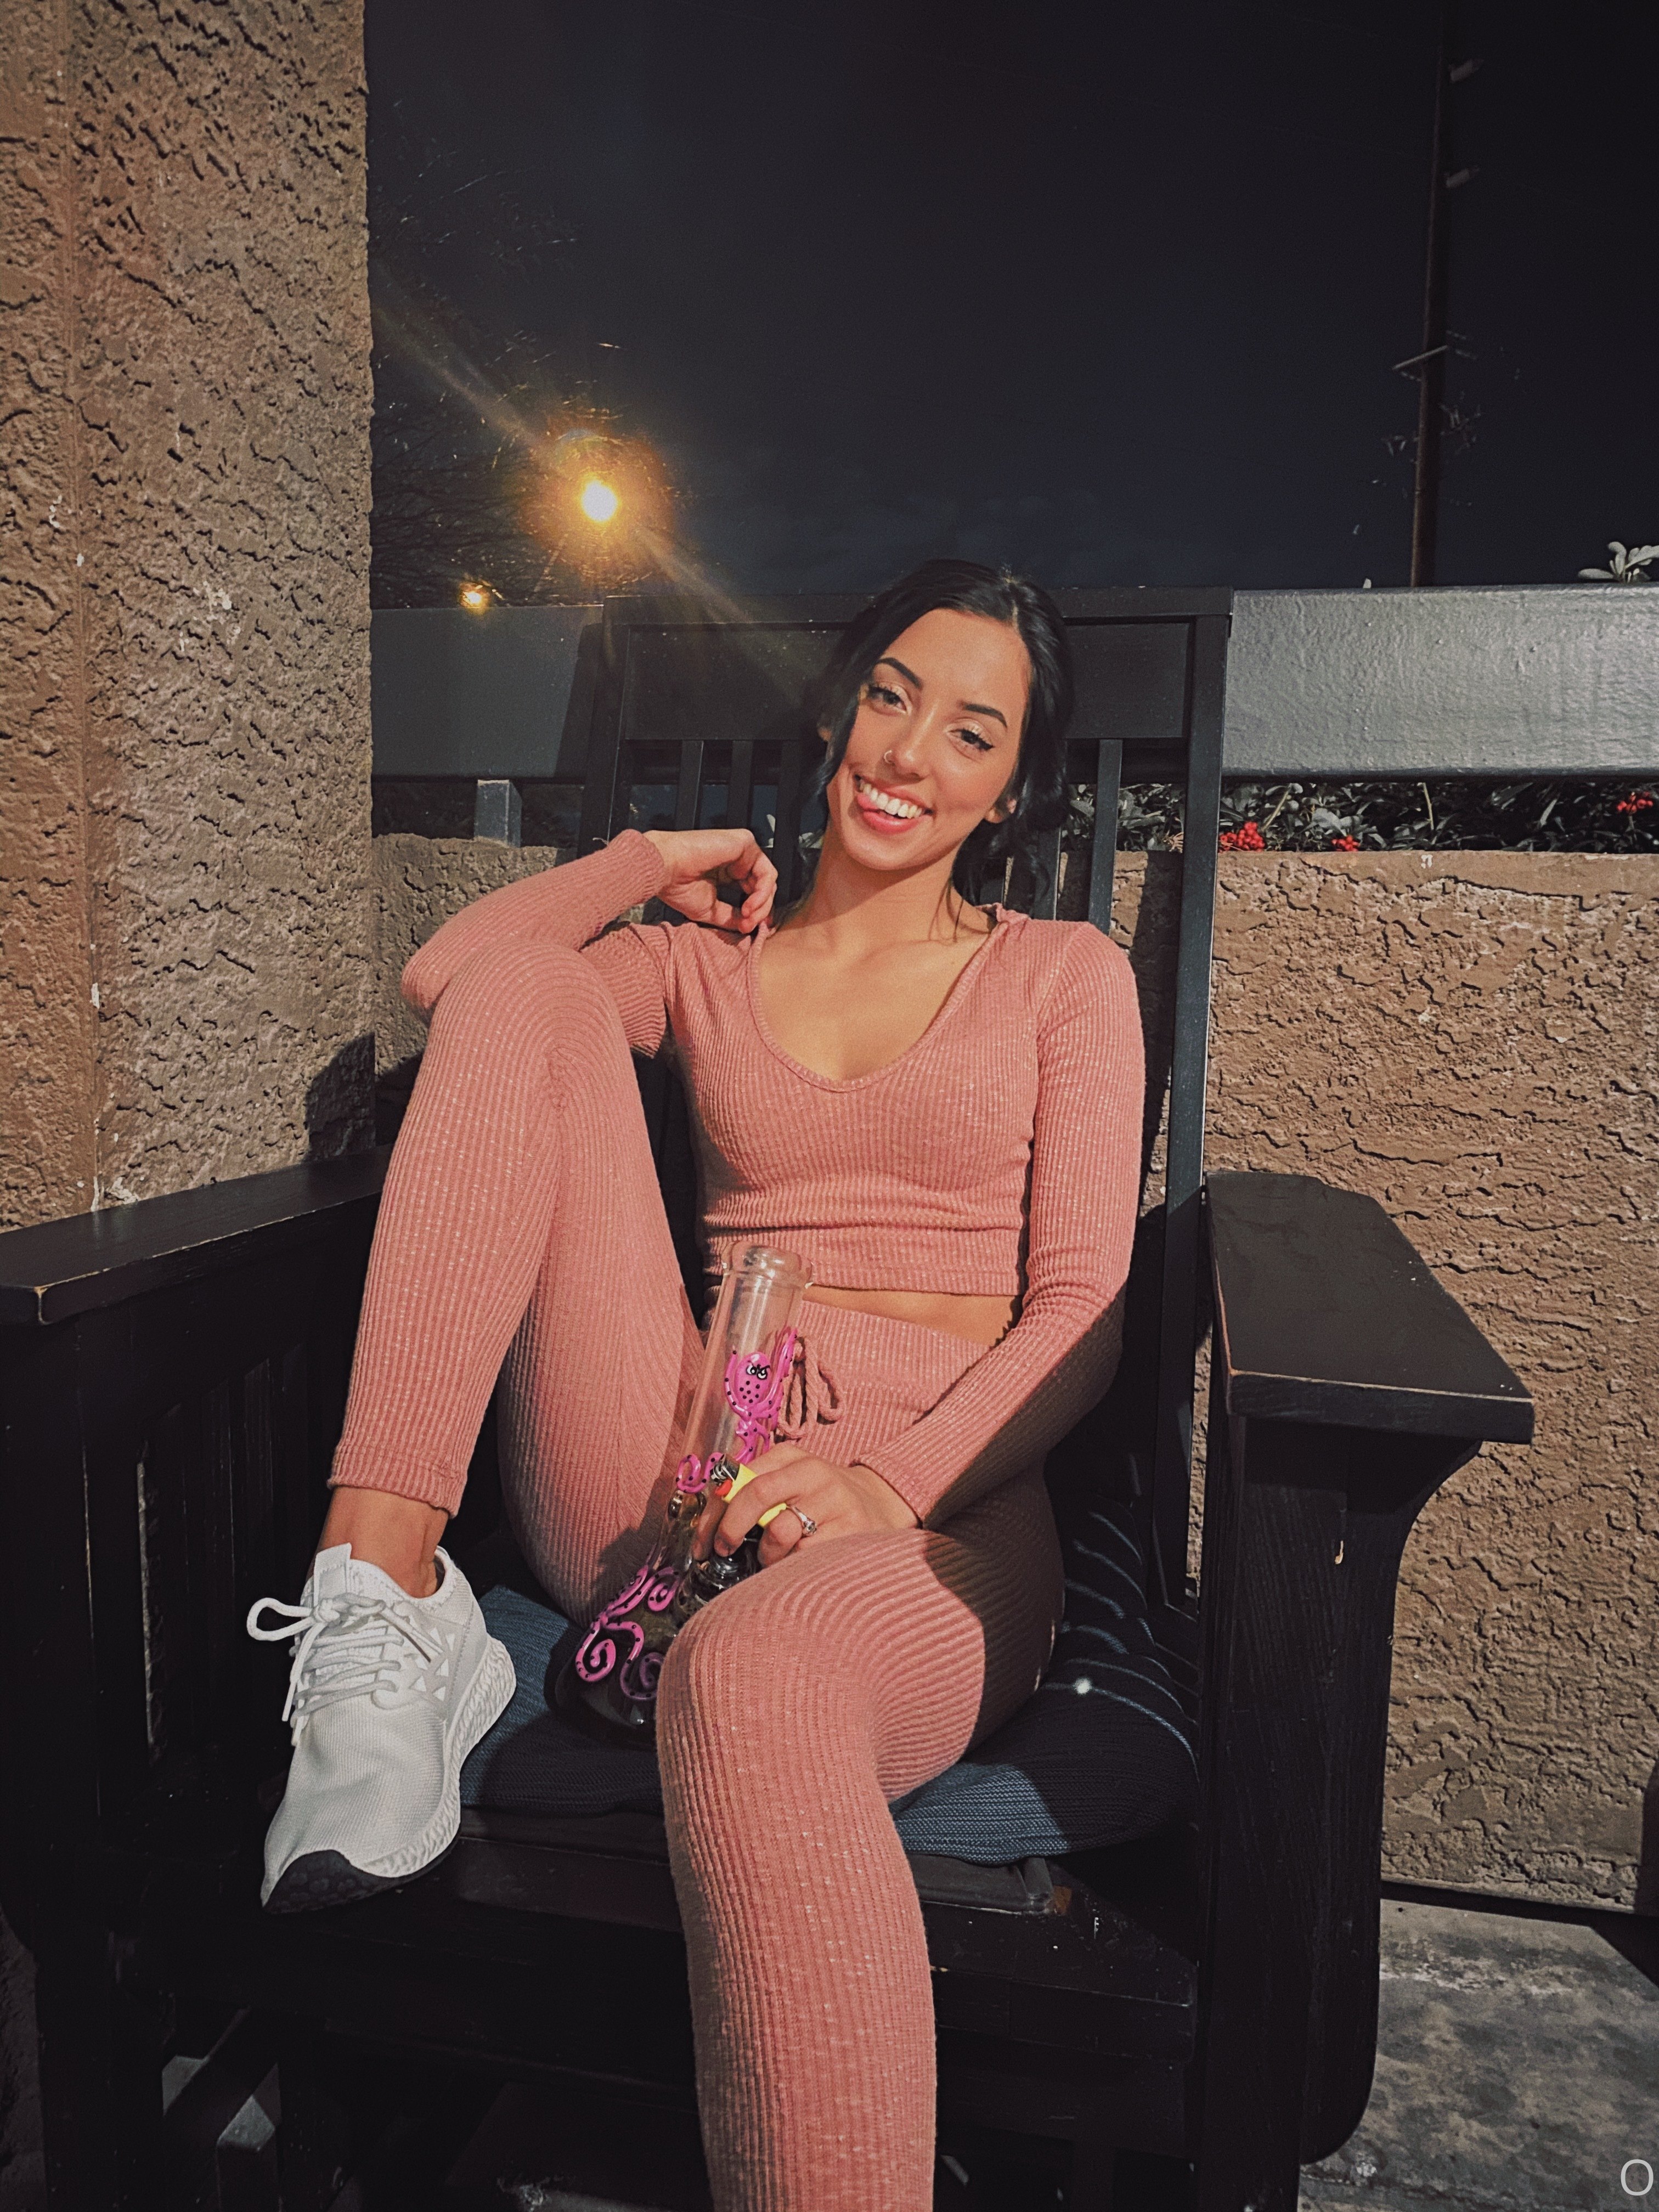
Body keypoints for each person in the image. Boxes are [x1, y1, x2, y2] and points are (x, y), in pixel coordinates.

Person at [247, 558, 1146, 2211]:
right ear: (839, 707)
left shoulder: (1063, 975)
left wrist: (889, 1487)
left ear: (1011, 786)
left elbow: (1086, 1303)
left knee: (751, 1689)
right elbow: (458, 980)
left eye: (970, 731)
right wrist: (649, 861)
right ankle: (380, 1592)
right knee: (534, 990)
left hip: (941, 1506)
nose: (909, 752)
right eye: (890, 696)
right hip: (678, 1453)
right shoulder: (699, 964)